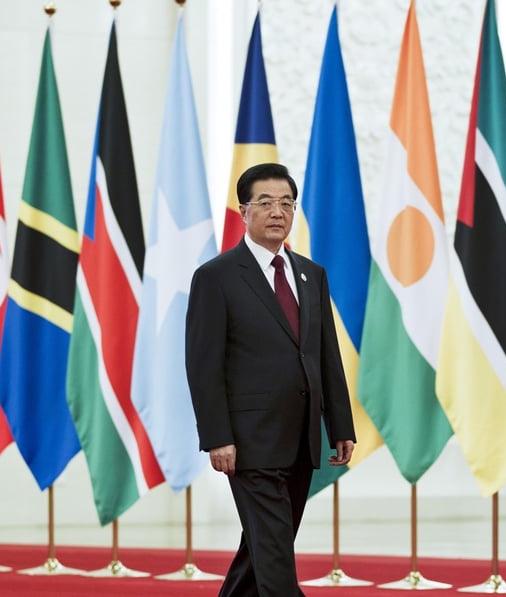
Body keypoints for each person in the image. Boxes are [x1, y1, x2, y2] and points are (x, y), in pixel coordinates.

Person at [186, 162, 356, 596]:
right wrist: (217, 436)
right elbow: (203, 366)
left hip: (300, 437)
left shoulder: (310, 275)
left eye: (286, 203)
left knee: (262, 548)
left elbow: (326, 356)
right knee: (276, 555)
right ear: (244, 211)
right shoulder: (216, 277)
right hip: (248, 443)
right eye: (265, 202)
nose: (277, 211)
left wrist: (340, 425)